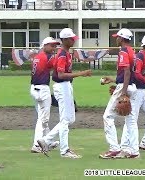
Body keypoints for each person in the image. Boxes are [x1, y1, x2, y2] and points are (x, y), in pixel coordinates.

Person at [37, 28, 92, 159]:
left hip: (66, 86)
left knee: (70, 119)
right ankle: (64, 150)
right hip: (62, 86)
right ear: (65, 40)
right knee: (66, 120)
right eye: (71, 38)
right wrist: (81, 73)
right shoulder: (62, 54)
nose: (74, 40)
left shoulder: (65, 53)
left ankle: (46, 140)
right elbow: (61, 75)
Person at [99, 28, 139, 159]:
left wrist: (122, 92)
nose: (116, 39)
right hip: (132, 86)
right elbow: (128, 73)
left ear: (122, 39)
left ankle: (114, 149)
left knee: (107, 117)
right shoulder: (132, 51)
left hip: (125, 86)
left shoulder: (123, 51)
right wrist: (115, 82)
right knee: (131, 120)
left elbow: (127, 71)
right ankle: (134, 150)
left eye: (117, 37)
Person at [120, 34, 145, 152]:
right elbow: (137, 74)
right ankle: (124, 145)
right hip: (136, 91)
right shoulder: (140, 56)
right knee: (132, 118)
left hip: (143, 91)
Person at [30, 37, 60, 153]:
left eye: (55, 46)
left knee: (43, 118)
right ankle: (36, 145)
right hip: (42, 89)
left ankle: (48, 141)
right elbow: (57, 66)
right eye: (51, 46)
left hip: (34, 88)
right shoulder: (46, 57)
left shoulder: (38, 56)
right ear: (45, 45)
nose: (54, 48)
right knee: (42, 119)